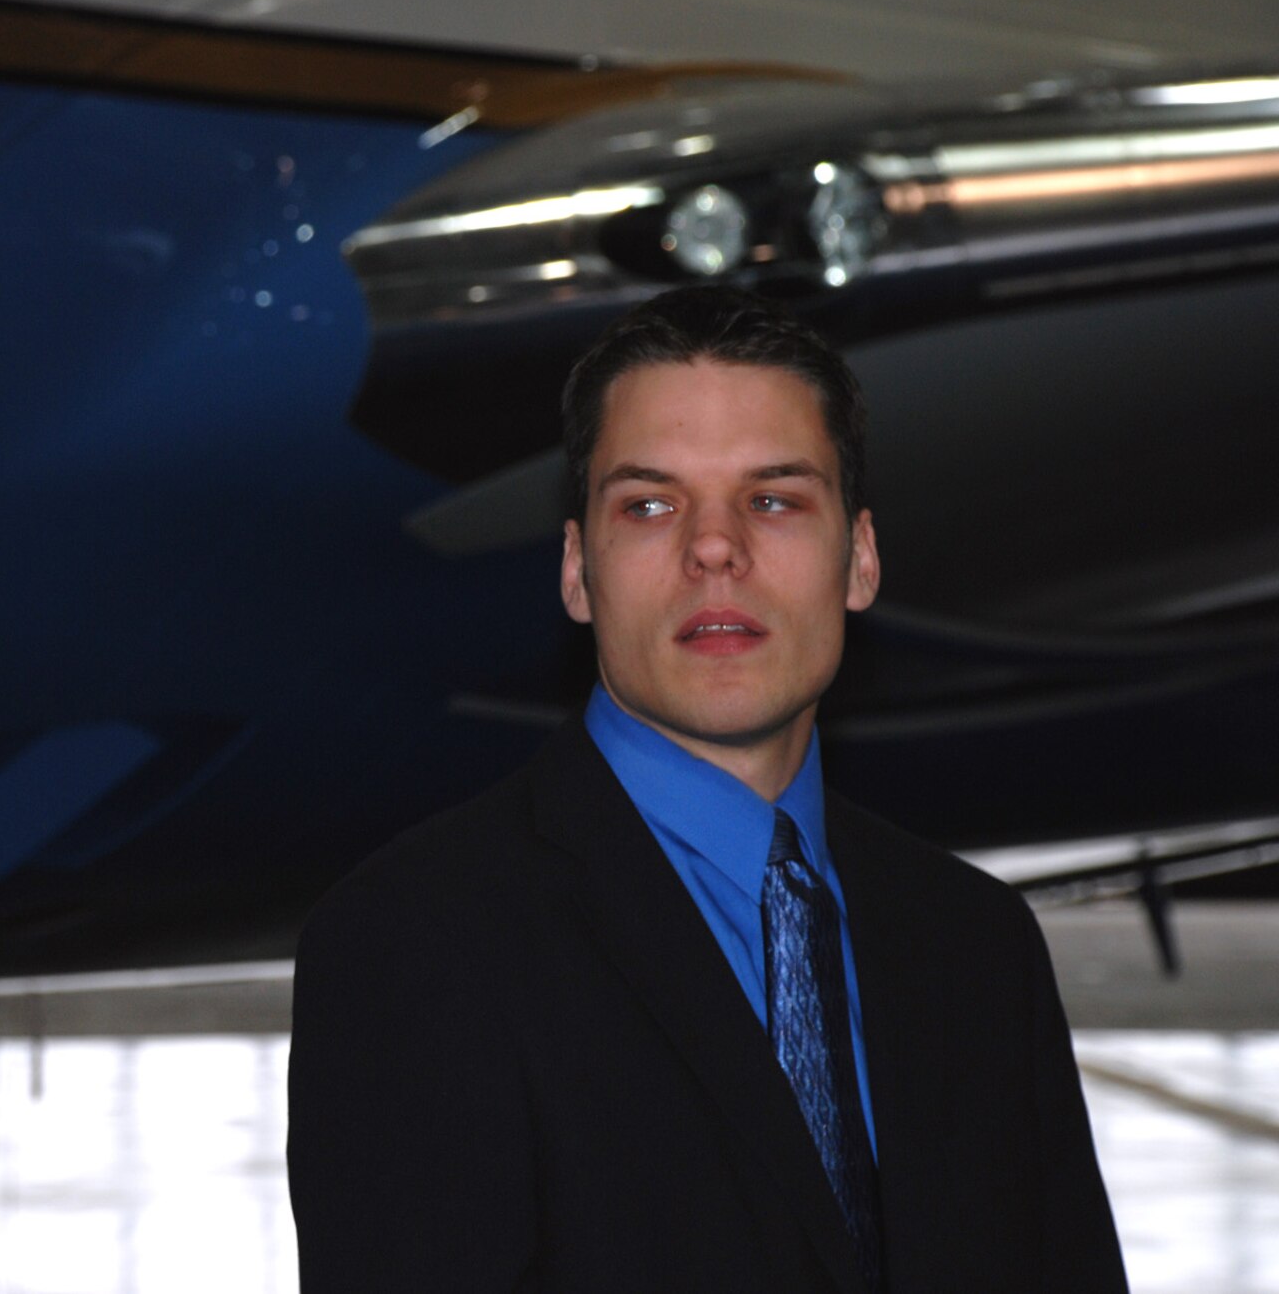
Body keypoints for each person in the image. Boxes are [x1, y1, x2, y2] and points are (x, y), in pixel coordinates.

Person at [287, 287, 1127, 1292]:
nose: (714, 547)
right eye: (648, 504)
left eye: (771, 499)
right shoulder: (411, 945)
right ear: (575, 571)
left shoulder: (980, 947)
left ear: (857, 559)